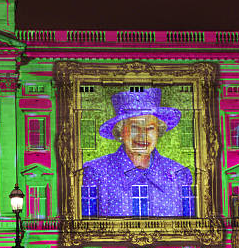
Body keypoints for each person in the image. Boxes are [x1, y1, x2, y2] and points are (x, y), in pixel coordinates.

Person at [82, 88, 194, 217]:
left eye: (150, 128)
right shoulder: (96, 172)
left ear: (158, 132)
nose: (143, 135)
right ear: (120, 132)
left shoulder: (179, 174)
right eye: (134, 127)